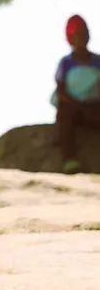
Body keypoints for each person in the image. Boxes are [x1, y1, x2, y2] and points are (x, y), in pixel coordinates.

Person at [54, 14, 100, 174]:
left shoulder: (98, 61)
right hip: (74, 109)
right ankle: (70, 160)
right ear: (71, 38)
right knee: (64, 114)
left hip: (96, 108)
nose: (82, 37)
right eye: (78, 34)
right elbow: (61, 90)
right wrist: (77, 105)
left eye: (84, 33)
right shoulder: (65, 63)